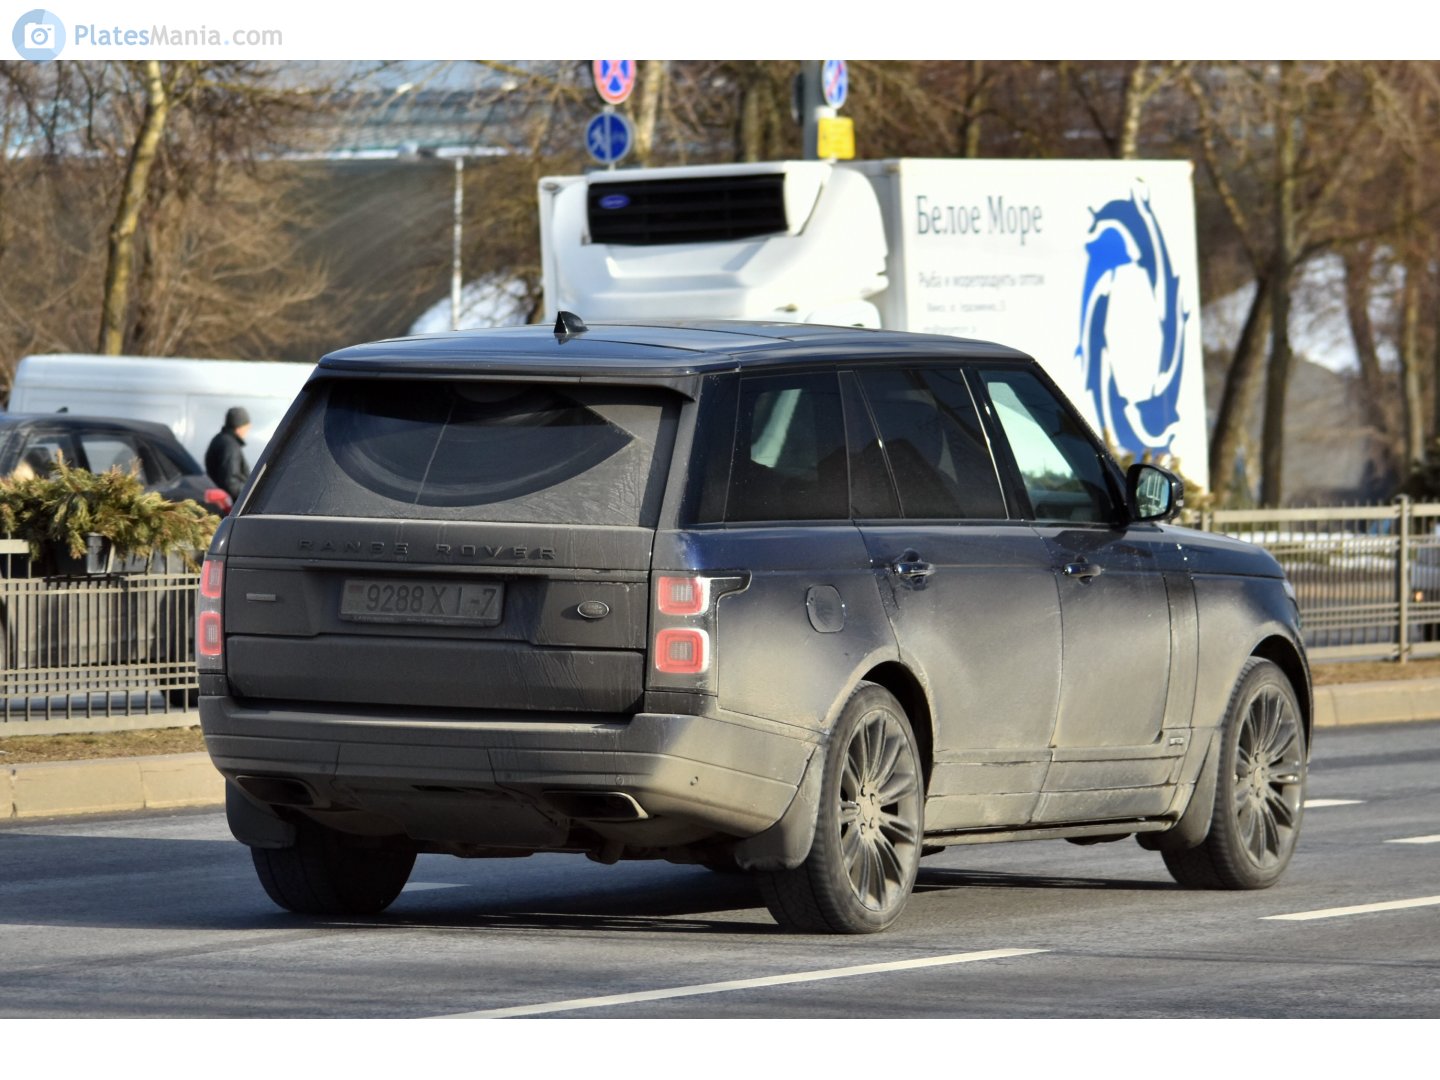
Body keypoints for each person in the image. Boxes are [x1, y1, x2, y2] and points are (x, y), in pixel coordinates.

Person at [206, 406, 252, 501]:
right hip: (229, 503)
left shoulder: (221, 439)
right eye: (247, 426)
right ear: (239, 426)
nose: (248, 429)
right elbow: (231, 483)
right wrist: (250, 494)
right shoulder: (230, 446)